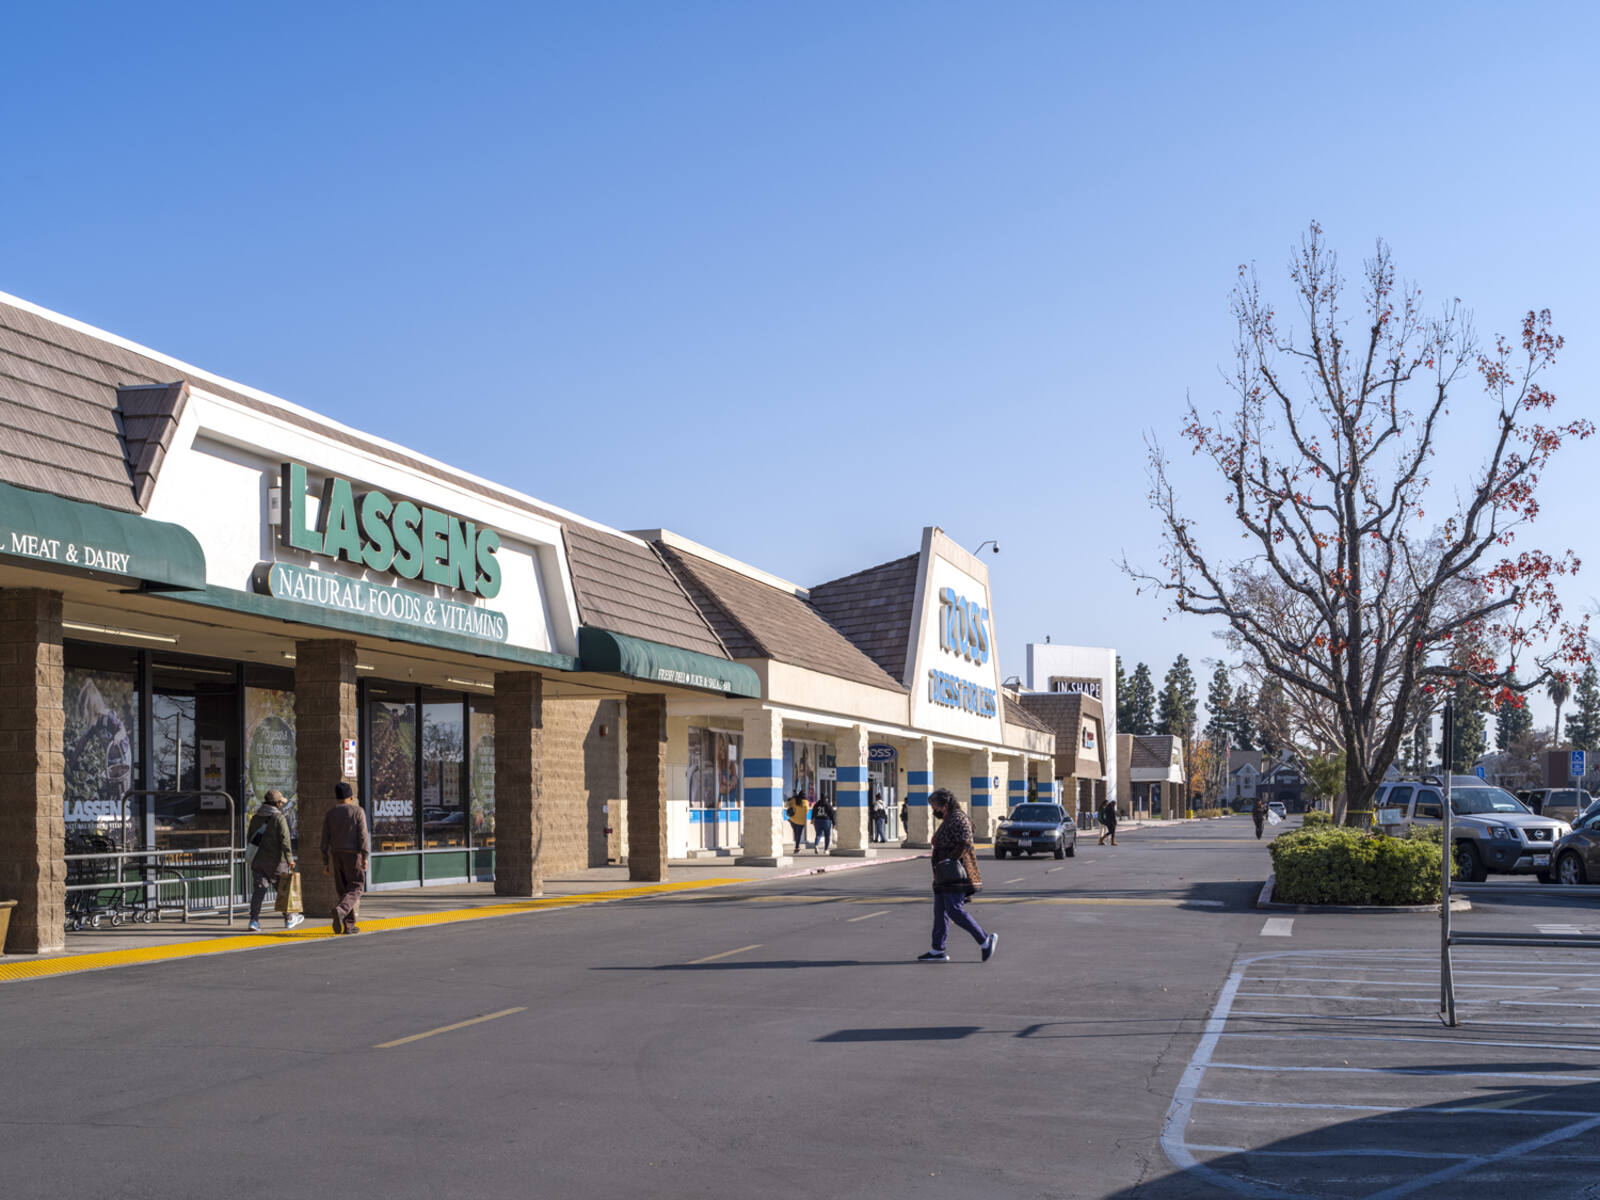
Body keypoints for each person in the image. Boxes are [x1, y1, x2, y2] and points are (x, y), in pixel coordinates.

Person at [920, 788, 996, 963]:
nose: (934, 811)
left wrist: (948, 860)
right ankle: (937, 949)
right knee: (940, 911)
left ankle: (985, 940)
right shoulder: (949, 818)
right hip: (943, 875)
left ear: (945, 805)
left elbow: (965, 843)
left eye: (935, 806)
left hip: (954, 874)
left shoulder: (959, 818)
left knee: (954, 910)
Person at [246, 789, 303, 931]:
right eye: (280, 802)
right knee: (283, 891)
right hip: (278, 862)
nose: (281, 805)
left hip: (259, 861)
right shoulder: (279, 818)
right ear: (277, 803)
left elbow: (250, 839)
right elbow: (285, 840)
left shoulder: (255, 818)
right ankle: (289, 919)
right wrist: (290, 858)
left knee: (259, 891)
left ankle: (253, 920)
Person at [321, 781, 370, 934]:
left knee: (343, 890)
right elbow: (362, 835)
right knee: (356, 886)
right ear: (350, 797)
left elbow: (324, 839)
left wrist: (325, 862)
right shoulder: (357, 811)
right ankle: (341, 910)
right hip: (352, 855)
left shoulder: (330, 814)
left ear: (337, 798)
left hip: (336, 855)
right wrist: (365, 856)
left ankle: (349, 925)